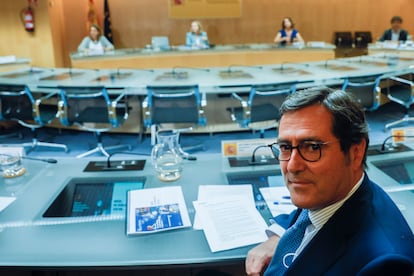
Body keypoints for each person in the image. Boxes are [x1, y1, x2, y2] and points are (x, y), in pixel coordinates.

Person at [245, 87, 414, 275]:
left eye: (312, 147)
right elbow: (306, 215)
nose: (292, 166)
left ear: (356, 152)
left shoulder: (382, 264)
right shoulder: (332, 192)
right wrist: (279, 235)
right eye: (285, 147)